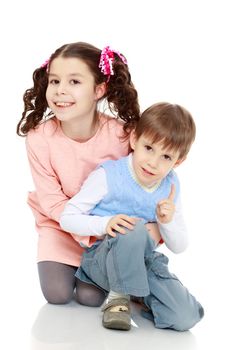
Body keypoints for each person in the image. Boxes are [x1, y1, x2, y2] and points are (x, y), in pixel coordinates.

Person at [60, 102, 204, 331]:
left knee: (185, 317)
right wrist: (106, 223)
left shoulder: (170, 186)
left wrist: (167, 222)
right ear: (135, 140)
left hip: (143, 262)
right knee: (134, 226)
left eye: (166, 157)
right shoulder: (109, 175)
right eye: (149, 148)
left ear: (178, 161)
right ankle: (118, 298)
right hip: (102, 260)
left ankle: (138, 293)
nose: (153, 162)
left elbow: (179, 246)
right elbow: (67, 217)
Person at [16, 42, 141, 306]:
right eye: (55, 81)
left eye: (74, 81)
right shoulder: (39, 138)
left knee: (90, 297)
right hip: (61, 223)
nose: (60, 90)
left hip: (105, 230)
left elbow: (139, 183)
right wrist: (85, 230)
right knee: (57, 294)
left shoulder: (121, 136)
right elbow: (51, 201)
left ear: (99, 90)